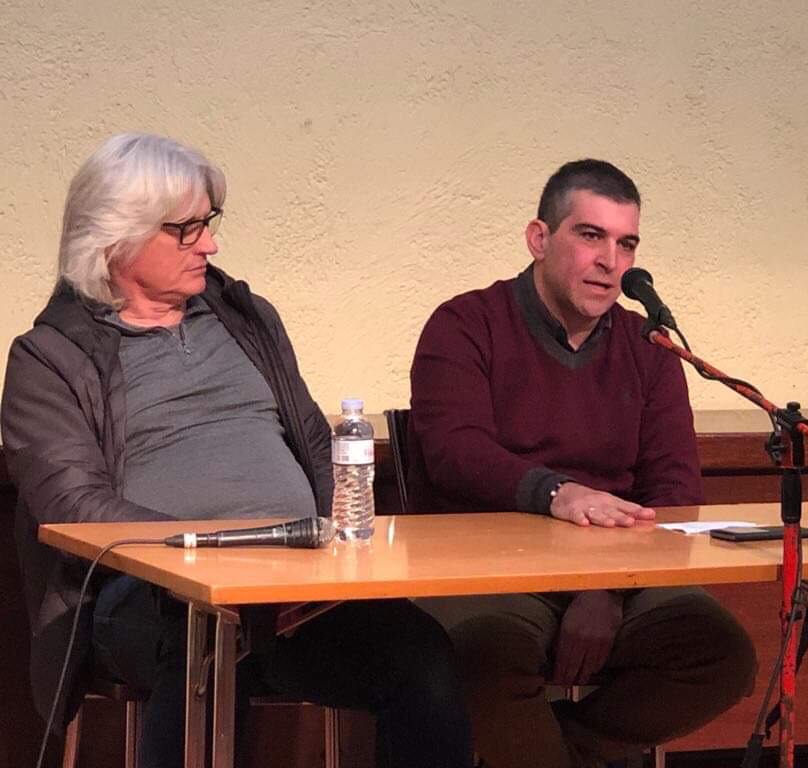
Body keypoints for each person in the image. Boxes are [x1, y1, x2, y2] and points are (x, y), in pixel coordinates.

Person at [1, 133, 473, 768]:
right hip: (144, 596)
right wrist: (216, 565)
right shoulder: (48, 357)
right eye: (187, 229)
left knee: (421, 656)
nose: (210, 244)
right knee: (202, 638)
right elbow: (76, 508)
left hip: (294, 592)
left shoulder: (246, 320)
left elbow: (313, 443)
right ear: (116, 238)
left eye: (210, 222)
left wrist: (338, 556)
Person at [406, 159, 757, 768]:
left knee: (722, 656)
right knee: (481, 656)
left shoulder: (651, 347)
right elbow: (455, 454)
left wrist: (610, 588)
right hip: (496, 573)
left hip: (617, 572)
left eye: (627, 244)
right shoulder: (464, 324)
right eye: (590, 235)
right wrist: (557, 493)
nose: (610, 261)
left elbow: (675, 487)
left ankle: (565, 752)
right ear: (539, 239)